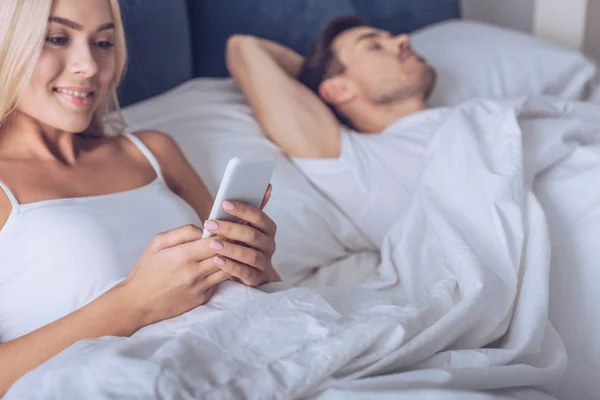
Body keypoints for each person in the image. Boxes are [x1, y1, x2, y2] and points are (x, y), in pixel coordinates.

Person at [0, 0, 280, 394]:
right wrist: (135, 303)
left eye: (103, 43)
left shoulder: (151, 152)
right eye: (57, 38)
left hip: (263, 354)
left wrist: (257, 266)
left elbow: (266, 293)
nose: (90, 67)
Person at [227, 16, 449, 246]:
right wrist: (319, 75)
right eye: (374, 45)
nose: (404, 39)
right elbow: (243, 47)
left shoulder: (475, 113)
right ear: (338, 90)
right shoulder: (355, 160)